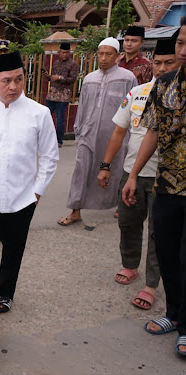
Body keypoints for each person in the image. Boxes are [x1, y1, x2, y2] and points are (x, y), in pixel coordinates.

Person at [0, 52, 58, 339]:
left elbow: (50, 157)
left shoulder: (39, 114)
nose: (14, 86)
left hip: (23, 198)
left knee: (14, 248)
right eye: (6, 81)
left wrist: (37, 192)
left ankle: (5, 292)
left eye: (19, 79)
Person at [97, 37, 178, 310]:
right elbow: (119, 131)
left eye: (169, 62)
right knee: (129, 223)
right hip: (132, 172)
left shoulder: (179, 95)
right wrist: (106, 165)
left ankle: (151, 284)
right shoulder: (137, 93)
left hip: (165, 177)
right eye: (157, 62)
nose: (161, 68)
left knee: (159, 232)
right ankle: (130, 265)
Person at [122, 20, 186, 357]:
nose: (183, 51)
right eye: (180, 43)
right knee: (167, 251)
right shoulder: (164, 86)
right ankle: (173, 313)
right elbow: (153, 132)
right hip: (168, 184)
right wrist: (133, 175)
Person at [58, 37, 137, 226]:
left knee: (117, 169)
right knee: (81, 170)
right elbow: (83, 106)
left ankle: (120, 204)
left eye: (108, 54)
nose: (103, 58)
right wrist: (79, 129)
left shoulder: (127, 78)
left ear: (117, 56)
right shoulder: (89, 79)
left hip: (116, 135)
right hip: (88, 133)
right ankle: (75, 210)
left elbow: (132, 109)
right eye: (100, 54)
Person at [43, 42, 78, 147]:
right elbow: (53, 78)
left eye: (67, 53)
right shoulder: (56, 63)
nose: (65, 55)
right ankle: (44, 138)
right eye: (63, 52)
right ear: (59, 52)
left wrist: (59, 77)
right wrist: (48, 77)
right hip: (52, 93)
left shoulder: (72, 64)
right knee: (45, 116)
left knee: (60, 118)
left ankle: (59, 141)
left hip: (63, 95)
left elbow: (72, 79)